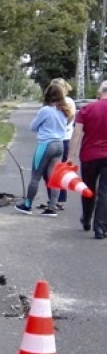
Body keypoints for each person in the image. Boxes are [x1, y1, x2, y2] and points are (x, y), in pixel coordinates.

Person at [15, 82, 69, 216]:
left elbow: (33, 127)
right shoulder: (64, 110)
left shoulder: (45, 110)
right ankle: (52, 207)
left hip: (46, 144)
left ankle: (27, 205)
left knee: (36, 176)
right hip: (59, 145)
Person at [66, 79, 107, 238]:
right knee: (105, 192)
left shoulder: (86, 109)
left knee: (88, 189)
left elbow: (77, 133)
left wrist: (71, 156)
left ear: (100, 91)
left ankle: (87, 219)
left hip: (89, 156)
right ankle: (101, 227)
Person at [42, 78, 76, 210]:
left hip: (63, 139)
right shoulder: (55, 103)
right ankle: (53, 199)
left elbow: (71, 117)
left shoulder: (68, 102)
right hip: (57, 139)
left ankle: (59, 200)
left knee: (57, 170)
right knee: (49, 171)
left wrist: (62, 127)